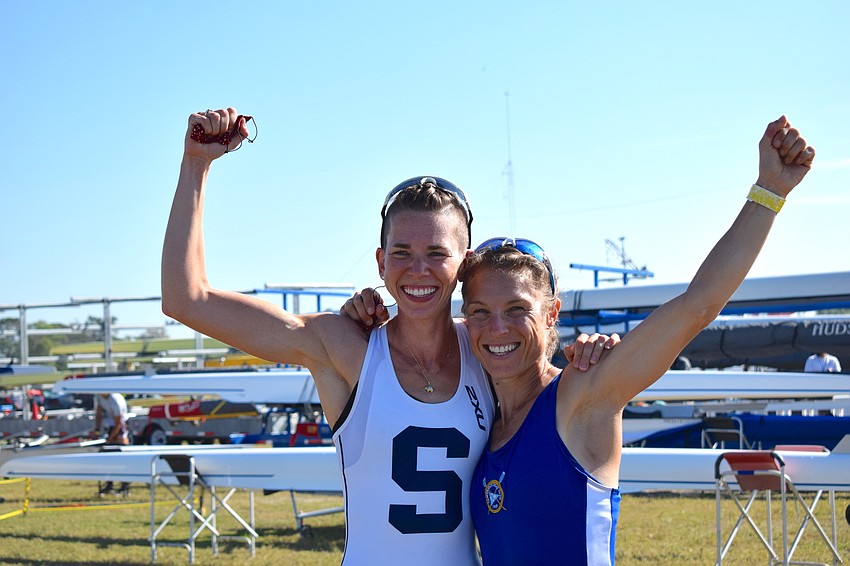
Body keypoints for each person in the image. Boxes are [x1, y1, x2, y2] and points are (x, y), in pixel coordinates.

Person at [161, 108, 614, 565]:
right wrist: (196, 164)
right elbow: (186, 300)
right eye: (402, 252)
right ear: (381, 262)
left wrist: (594, 352)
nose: (418, 269)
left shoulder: (486, 350)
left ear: (463, 264)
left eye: (436, 253)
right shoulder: (345, 346)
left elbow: (550, 385)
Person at [458, 116, 814, 565]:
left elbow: (697, 306)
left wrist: (770, 192)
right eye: (480, 312)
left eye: (516, 310)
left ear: (551, 315)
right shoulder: (481, 417)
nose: (497, 328)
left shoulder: (583, 393)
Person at [93, 392, 131, 495]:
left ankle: (125, 485)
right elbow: (99, 413)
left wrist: (110, 438)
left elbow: (118, 423)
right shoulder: (99, 397)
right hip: (110, 425)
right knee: (107, 456)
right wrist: (97, 429)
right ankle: (109, 484)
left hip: (120, 426)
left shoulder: (115, 400)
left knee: (122, 457)